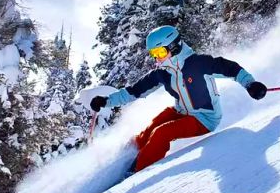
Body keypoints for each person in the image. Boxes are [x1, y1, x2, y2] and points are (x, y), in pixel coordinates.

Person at [91, 25, 267, 172]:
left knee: (162, 133)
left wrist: (250, 84)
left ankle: (136, 172)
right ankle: (121, 160)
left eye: (160, 52)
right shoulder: (163, 73)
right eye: (153, 54)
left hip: (204, 117)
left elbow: (231, 69)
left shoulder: (198, 63)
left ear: (173, 46)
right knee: (152, 126)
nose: (157, 58)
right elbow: (134, 91)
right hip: (181, 111)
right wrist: (106, 101)